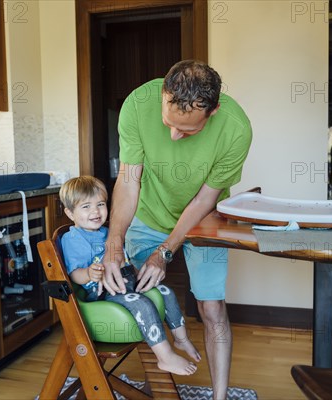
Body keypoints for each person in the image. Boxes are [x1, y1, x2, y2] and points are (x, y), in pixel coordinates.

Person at [102, 60, 252, 399]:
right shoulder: (137, 105)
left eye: (187, 131)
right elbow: (128, 180)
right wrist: (114, 241)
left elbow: (204, 200)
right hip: (149, 213)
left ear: (211, 112)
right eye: (168, 124)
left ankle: (219, 396)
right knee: (140, 293)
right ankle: (159, 379)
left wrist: (165, 251)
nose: (173, 136)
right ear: (164, 95)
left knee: (211, 307)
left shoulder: (236, 128)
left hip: (205, 219)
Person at [59, 176, 201, 375]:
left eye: (100, 204)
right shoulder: (73, 238)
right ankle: (165, 357)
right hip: (105, 291)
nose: (95, 211)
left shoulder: (108, 232)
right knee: (143, 304)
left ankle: (181, 339)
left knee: (165, 291)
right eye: (86, 206)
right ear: (69, 212)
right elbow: (74, 275)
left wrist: (135, 270)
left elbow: (123, 260)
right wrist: (90, 273)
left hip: (126, 282)